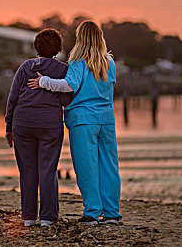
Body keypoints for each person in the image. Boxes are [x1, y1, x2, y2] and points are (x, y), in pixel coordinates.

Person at [27, 20, 122, 226]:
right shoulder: (110, 62)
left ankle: (92, 212)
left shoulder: (78, 61)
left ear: (81, 39)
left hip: (82, 121)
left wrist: (43, 81)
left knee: (87, 167)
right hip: (106, 120)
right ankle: (112, 214)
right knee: (109, 166)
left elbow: (68, 86)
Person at [5, 28, 72, 227]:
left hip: (22, 122)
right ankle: (48, 217)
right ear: (59, 49)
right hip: (49, 124)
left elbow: (13, 98)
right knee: (47, 170)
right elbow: (67, 97)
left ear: (36, 47)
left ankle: (28, 217)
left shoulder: (26, 67)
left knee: (27, 171)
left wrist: (9, 125)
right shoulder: (63, 69)